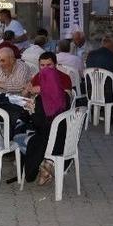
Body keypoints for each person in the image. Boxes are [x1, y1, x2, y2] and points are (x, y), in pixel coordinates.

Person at [18, 54, 72, 184]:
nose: (45, 68)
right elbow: (24, 94)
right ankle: (46, 164)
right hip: (57, 127)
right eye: (42, 65)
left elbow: (65, 97)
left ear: (55, 65)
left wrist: (42, 92)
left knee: (24, 130)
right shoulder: (39, 76)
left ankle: (38, 163)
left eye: (49, 65)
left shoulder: (63, 78)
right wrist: (28, 90)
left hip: (54, 125)